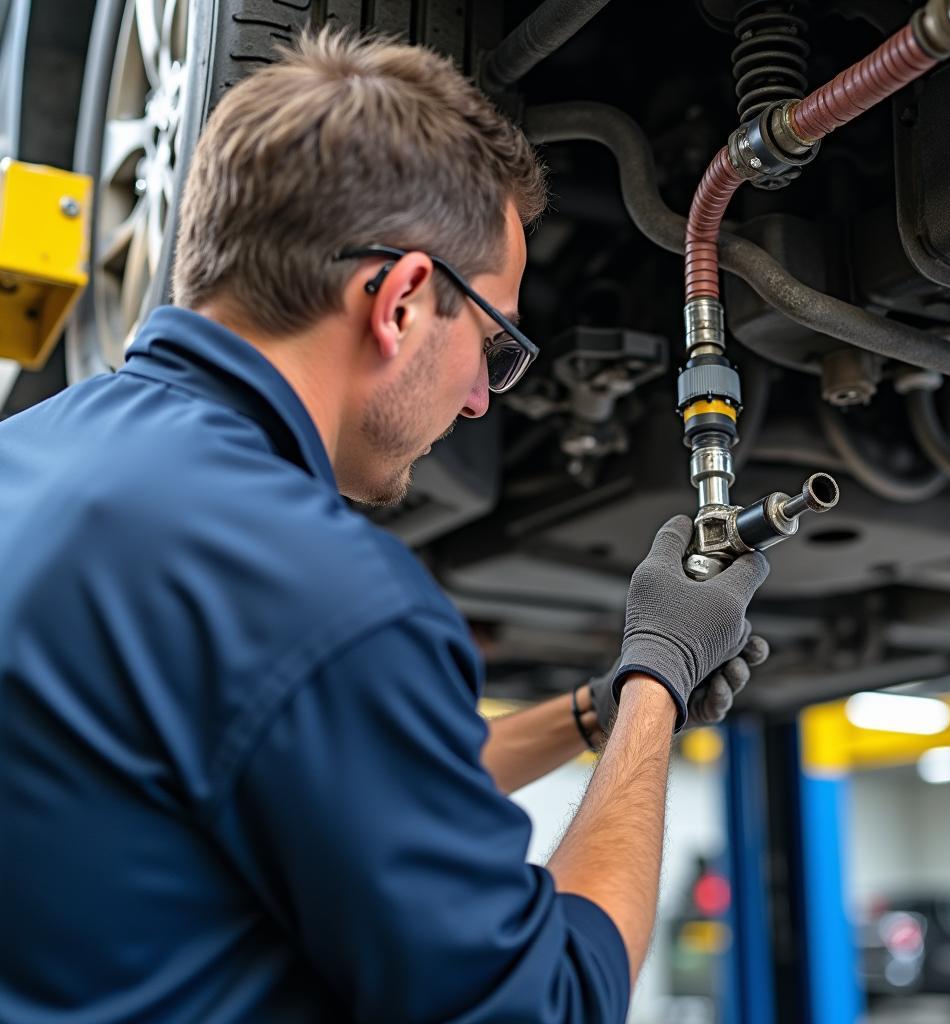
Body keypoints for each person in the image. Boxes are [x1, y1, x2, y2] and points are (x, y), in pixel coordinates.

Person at [0, 30, 769, 1024]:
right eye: (494, 344)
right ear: (402, 301)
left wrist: (604, 706)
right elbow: (559, 1003)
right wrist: (661, 686)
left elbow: (349, 786)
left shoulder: (35, 459)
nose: (484, 400)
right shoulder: (322, 592)